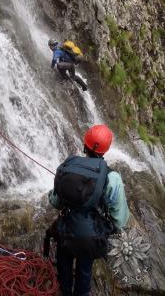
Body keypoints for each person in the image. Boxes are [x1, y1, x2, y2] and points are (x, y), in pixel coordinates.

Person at [48, 124, 129, 296]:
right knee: (84, 271)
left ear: (84, 145)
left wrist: (52, 195)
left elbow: (55, 201)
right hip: (90, 237)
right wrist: (110, 227)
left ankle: (64, 291)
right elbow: (119, 218)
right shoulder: (111, 177)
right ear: (106, 151)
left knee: (64, 269)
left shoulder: (68, 165)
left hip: (66, 231)